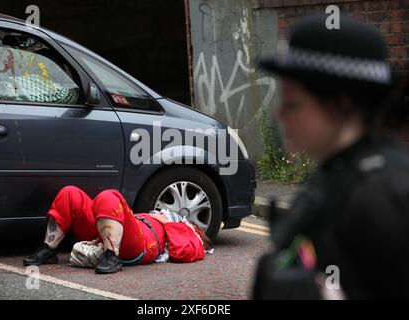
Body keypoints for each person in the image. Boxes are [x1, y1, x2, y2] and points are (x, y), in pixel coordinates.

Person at [252, 14, 409, 299]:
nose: (280, 115)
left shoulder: (386, 195)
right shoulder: (339, 173)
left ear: (340, 104)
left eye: (293, 103)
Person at [23, 186, 211, 273]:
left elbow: (185, 251)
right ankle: (48, 250)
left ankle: (112, 257)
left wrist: (169, 223)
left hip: (141, 243)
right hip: (113, 230)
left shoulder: (187, 229)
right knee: (70, 193)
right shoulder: (162, 216)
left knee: (109, 196)